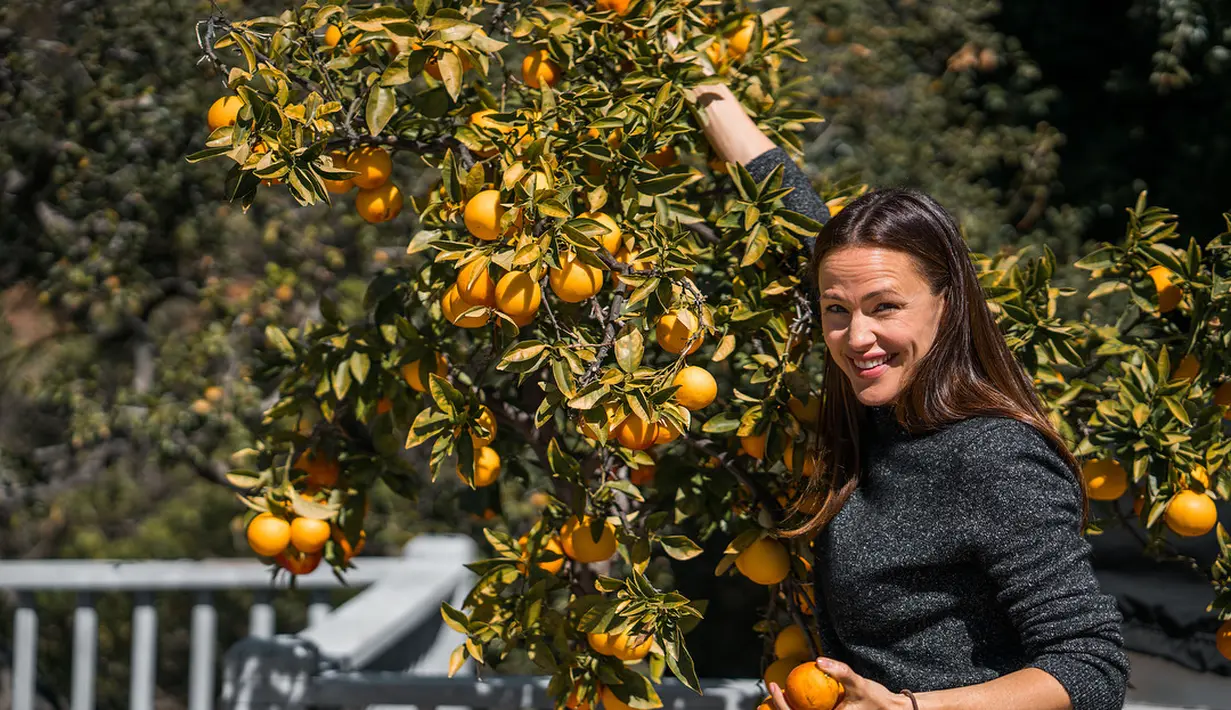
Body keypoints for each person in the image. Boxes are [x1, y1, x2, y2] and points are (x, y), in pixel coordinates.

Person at [692, 81, 1131, 710]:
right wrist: (695, 80)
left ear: (946, 303)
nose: (856, 336)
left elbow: (1091, 667)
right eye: (835, 310)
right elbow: (790, 207)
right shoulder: (879, 405)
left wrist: (911, 709)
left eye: (885, 307)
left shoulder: (994, 455)